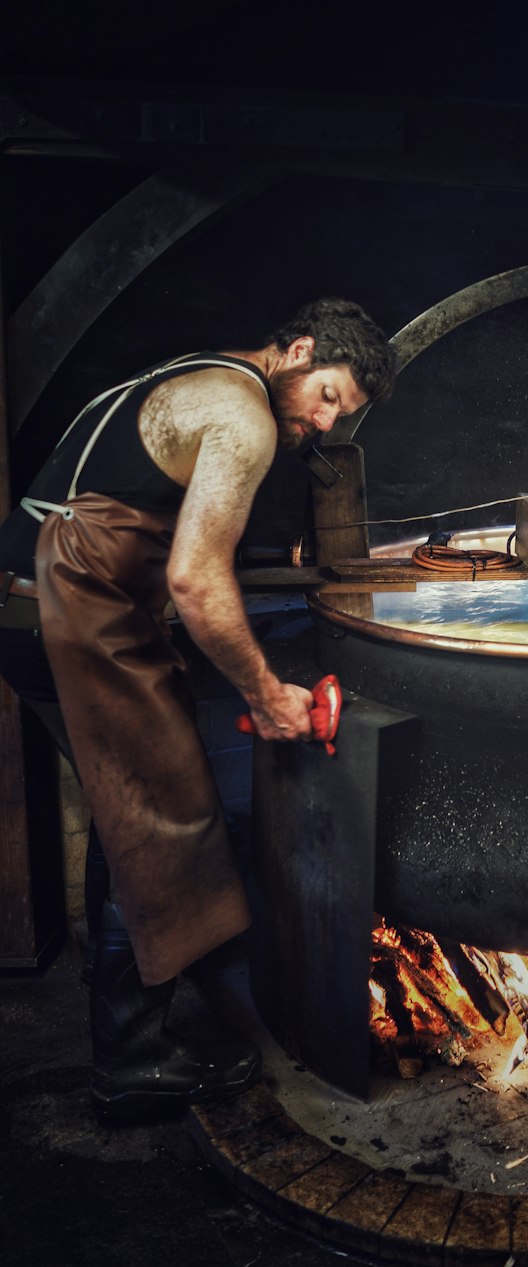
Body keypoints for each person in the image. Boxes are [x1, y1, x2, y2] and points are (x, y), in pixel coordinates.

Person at [0, 296, 396, 1123]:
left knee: (131, 808)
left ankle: (124, 1004)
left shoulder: (195, 375)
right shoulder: (245, 416)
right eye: (326, 394)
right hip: (68, 615)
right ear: (296, 349)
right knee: (165, 812)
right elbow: (193, 576)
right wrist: (264, 692)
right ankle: (131, 1060)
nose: (323, 422)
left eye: (341, 414)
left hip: (41, 607)